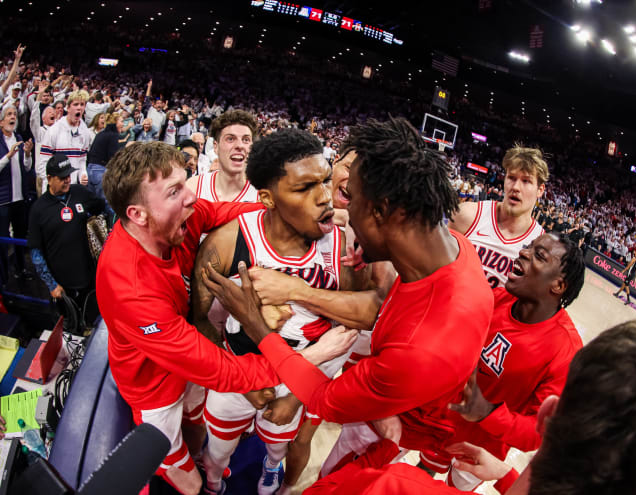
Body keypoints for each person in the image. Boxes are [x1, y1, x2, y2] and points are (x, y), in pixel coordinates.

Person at [201, 117, 494, 475]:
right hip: (402, 393)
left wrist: (255, 323)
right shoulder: (455, 251)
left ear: (382, 211)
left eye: (350, 200)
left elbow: (323, 400)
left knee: (328, 476)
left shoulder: (419, 348)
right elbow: (384, 306)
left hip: (391, 430)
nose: (336, 208)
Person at [95, 142, 352, 495]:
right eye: (175, 191)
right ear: (138, 214)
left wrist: (294, 210)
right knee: (185, 476)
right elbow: (223, 370)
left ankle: (206, 465)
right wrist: (310, 358)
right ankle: (199, 484)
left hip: (187, 350)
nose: (190, 197)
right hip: (153, 384)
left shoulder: (179, 215)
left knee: (198, 424)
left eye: (186, 181)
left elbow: (224, 210)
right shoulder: (131, 290)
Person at [191, 128, 369, 495]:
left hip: (299, 379)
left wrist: (297, 394)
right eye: (304, 188)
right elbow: (199, 321)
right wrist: (240, 378)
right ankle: (212, 483)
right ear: (269, 199)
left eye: (323, 180)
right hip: (237, 371)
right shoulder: (228, 241)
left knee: (277, 449)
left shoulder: (343, 245)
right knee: (218, 453)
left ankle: (272, 468)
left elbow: (347, 329)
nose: (324, 197)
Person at [304, 316, 636, 495]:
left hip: (455, 437)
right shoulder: (503, 298)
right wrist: (506, 478)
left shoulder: (397, 484)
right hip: (449, 431)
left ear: (548, 413)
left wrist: (382, 451)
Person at [418, 233, 585, 490]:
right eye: (529, 247)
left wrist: (487, 413)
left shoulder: (566, 351)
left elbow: (537, 433)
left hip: (485, 449)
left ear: (558, 286)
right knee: (420, 475)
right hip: (441, 420)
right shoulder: (496, 297)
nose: (524, 253)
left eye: (539, 256)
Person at [449, 145, 547, 288]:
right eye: (511, 178)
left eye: (526, 181)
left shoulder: (540, 244)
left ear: (540, 190)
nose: (516, 187)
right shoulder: (467, 215)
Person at [27, 155, 104, 330]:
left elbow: (103, 208)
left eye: (68, 175)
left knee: (94, 322)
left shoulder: (80, 193)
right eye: (62, 177)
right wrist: (51, 284)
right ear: (49, 179)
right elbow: (35, 251)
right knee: (70, 328)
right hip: (63, 286)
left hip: (89, 278)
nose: (67, 180)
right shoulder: (39, 209)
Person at [186, 109, 259, 203]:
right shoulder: (194, 187)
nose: (240, 146)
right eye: (230, 139)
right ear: (215, 147)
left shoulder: (263, 195)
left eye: (246, 140)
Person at [0, 104, 34, 282]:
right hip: (3, 200)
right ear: (1, 121)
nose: (13, 117)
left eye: (14, 114)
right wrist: (8, 156)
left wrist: (27, 154)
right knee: (3, 240)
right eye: (9, 114)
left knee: (20, 235)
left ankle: (21, 269)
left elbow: (27, 168)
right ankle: (3, 276)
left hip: (20, 197)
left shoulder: (19, 138)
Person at [39, 90, 92, 186]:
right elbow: (44, 162)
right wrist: (50, 185)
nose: (79, 108)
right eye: (75, 104)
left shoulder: (85, 132)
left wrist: (83, 175)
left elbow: (82, 160)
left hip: (73, 186)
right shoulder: (54, 130)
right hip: (55, 187)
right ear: (68, 108)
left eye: (82, 104)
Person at [87, 112, 124, 218]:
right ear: (115, 122)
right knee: (109, 204)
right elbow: (113, 157)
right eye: (121, 121)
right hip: (100, 171)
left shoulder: (101, 133)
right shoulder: (112, 135)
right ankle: (113, 230)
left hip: (90, 170)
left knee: (94, 205)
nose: (123, 124)